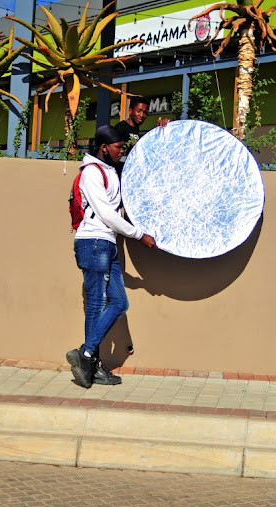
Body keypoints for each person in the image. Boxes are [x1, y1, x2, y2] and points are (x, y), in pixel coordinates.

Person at [66, 125, 157, 389]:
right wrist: (139, 235)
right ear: (104, 147)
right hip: (93, 243)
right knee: (96, 304)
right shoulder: (91, 174)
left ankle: (85, 355)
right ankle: (91, 364)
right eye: (118, 147)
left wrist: (161, 131)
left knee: (119, 303)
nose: (122, 151)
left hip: (108, 244)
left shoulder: (111, 170)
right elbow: (107, 214)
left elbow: (144, 157)